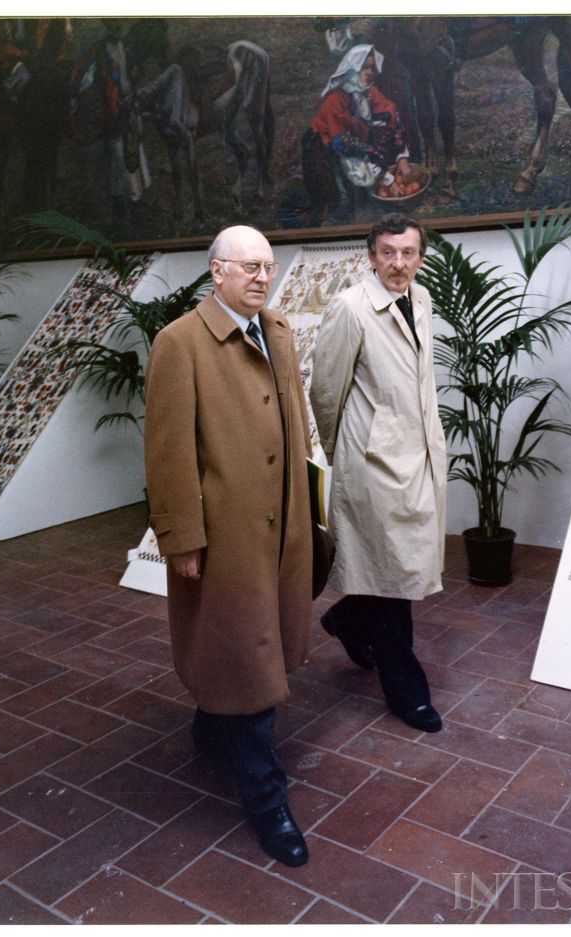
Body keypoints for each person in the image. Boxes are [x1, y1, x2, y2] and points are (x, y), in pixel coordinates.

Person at [144, 225, 314, 867]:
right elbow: (167, 452)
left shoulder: (278, 333)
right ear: (216, 272)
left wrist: (307, 514)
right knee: (249, 662)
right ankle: (268, 803)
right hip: (228, 535)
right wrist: (181, 537)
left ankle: (210, 724)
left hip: (279, 527)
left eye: (268, 266)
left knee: (245, 647)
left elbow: (294, 429)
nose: (262, 277)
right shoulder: (179, 343)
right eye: (248, 267)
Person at [309, 213, 447, 733]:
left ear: (420, 256)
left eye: (408, 253)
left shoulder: (422, 297)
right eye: (388, 253)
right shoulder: (349, 309)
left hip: (420, 456)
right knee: (394, 579)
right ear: (371, 256)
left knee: (398, 567)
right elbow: (326, 391)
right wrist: (346, 450)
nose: (398, 263)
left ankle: (346, 619)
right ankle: (407, 693)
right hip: (373, 463)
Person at [301, 44, 415, 224]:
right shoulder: (336, 99)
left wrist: (402, 158)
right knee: (340, 206)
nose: (369, 72)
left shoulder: (370, 92)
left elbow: (391, 115)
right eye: (364, 67)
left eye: (371, 67)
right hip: (323, 153)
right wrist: (385, 177)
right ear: (351, 70)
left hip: (354, 148)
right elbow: (344, 145)